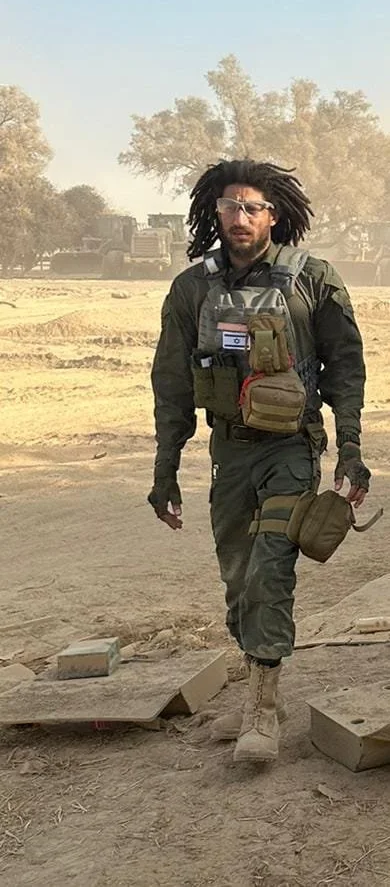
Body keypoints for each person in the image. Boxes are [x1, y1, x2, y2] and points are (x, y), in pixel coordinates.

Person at [148, 160, 369, 765]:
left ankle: (263, 710)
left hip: (292, 449)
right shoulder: (193, 289)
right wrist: (166, 466)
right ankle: (253, 686)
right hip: (230, 453)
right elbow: (171, 381)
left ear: (274, 214)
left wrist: (349, 445)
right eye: (229, 207)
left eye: (252, 207)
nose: (239, 218)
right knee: (238, 576)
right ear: (212, 213)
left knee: (270, 568)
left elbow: (345, 366)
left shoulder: (312, 279)